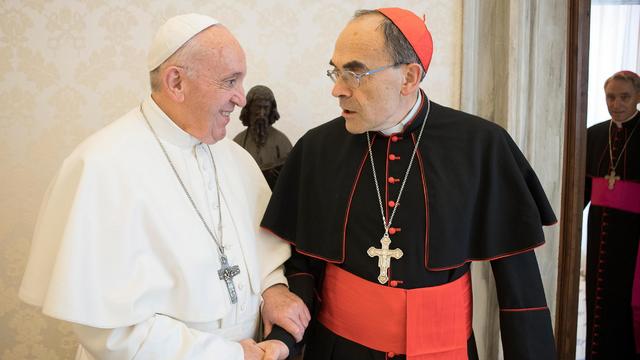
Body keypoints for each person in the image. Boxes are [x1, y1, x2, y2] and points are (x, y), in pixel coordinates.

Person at [261, 8, 557, 359]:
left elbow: (520, 291)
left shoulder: (482, 146)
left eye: (355, 73)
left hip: (444, 350)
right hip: (338, 349)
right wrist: (284, 339)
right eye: (335, 72)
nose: (337, 89)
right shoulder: (317, 148)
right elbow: (303, 264)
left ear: (409, 77)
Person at [19, 13, 309, 360]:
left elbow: (265, 255)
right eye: (230, 81)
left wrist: (273, 289)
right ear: (176, 82)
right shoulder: (101, 167)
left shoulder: (237, 159)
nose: (241, 98)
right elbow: (110, 332)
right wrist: (228, 355)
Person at [584, 70, 640, 359]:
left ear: (638, 97)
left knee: (627, 300)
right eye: (610, 97)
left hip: (634, 235)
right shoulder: (593, 134)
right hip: (599, 228)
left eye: (624, 97)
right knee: (598, 294)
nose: (616, 104)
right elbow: (579, 188)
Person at [233, 85, 293, 189]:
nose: (261, 114)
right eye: (257, 107)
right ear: (249, 109)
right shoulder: (238, 142)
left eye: (265, 108)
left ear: (271, 110)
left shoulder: (282, 142)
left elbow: (292, 176)